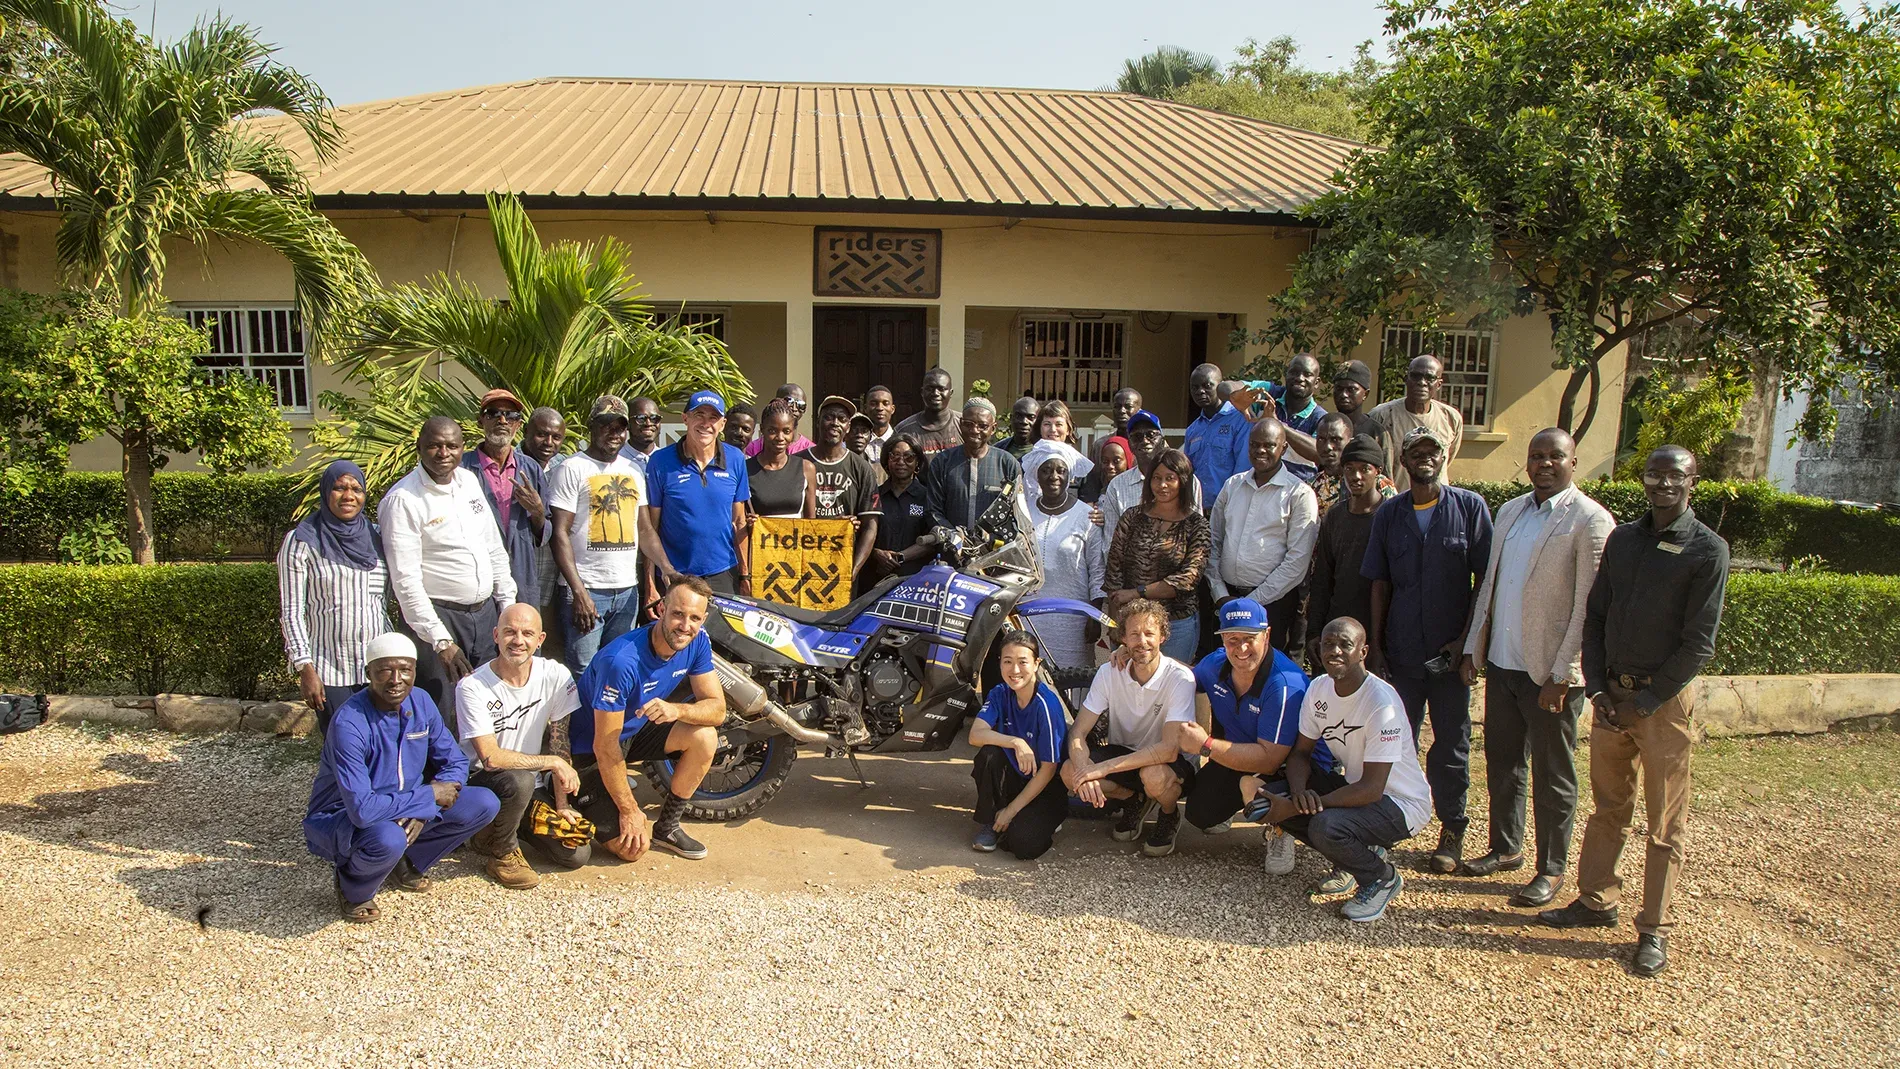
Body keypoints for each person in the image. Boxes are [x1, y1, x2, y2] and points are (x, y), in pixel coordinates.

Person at [1540, 446, 1730, 979]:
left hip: (1662, 704)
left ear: (1692, 482)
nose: (1663, 483)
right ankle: (1596, 900)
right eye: (1654, 474)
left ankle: (1654, 928)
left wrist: (1645, 701)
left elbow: (1698, 644)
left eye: (1675, 476)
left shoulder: (1707, 550)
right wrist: (1600, 690)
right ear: (1643, 479)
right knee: (1608, 807)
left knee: (1664, 823)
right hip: (1611, 699)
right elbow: (1596, 617)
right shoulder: (1624, 540)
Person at [1457, 429, 1615, 906]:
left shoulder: (1590, 520)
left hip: (1549, 674)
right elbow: (1489, 586)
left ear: (1573, 462)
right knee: (1503, 762)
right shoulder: (1510, 512)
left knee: (1553, 773)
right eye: (1536, 456)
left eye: (1555, 456)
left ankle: (1552, 868)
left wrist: (1564, 673)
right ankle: (1506, 847)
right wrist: (1473, 647)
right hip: (1504, 663)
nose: (1544, 463)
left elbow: (1589, 607)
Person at [1362, 425, 1492, 874]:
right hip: (1401, 652)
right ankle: (1389, 826)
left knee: (1451, 745)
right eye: (1416, 451)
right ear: (1403, 459)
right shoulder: (1390, 514)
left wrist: (1468, 643)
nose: (1425, 458)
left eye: (1432, 451)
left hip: (1449, 655)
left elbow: (1485, 582)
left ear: (1444, 457)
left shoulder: (1470, 508)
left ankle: (1452, 828)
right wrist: (1377, 647)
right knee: (1397, 743)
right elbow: (1379, 584)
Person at [303, 633, 501, 923]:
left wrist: (422, 810)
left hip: (406, 805)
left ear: (415, 671)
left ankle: (404, 861)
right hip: (341, 816)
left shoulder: (420, 701)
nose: (396, 680)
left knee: (484, 803)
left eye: (405, 670)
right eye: (385, 670)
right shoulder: (350, 722)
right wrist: (427, 797)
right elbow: (362, 810)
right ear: (368, 673)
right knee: (388, 838)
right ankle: (352, 886)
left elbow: (455, 761)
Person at [1250, 618, 1433, 922]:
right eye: (1328, 644)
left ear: (1363, 651)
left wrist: (1304, 805)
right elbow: (1300, 754)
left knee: (1326, 826)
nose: (1335, 651)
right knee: (1269, 799)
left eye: (1345, 645)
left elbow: (1373, 789)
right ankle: (1355, 855)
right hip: (1358, 790)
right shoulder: (1320, 688)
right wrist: (1298, 794)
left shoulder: (1381, 703)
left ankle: (1381, 878)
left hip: (1400, 803)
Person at [570, 578, 725, 861]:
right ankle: (570, 794)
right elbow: (604, 746)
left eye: (694, 618)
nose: (685, 626)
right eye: (678, 614)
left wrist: (678, 710)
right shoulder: (621, 661)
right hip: (590, 750)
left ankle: (667, 827)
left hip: (633, 732)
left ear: (703, 620)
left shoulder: (698, 640)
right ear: (661, 609)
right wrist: (629, 810)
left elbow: (717, 709)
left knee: (704, 736)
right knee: (632, 849)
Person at [381, 416, 517, 710]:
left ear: (462, 447)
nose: (444, 453)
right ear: (419, 447)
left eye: (452, 446)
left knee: (486, 705)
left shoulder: (468, 481)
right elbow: (406, 582)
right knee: (441, 710)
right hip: (438, 619)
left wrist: (507, 608)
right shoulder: (403, 500)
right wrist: (440, 640)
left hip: (485, 616)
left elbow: (493, 548)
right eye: (435, 446)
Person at [455, 604, 586, 888]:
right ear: (496, 635)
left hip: (530, 786)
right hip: (483, 782)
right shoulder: (472, 687)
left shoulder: (555, 675)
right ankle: (501, 853)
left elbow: (559, 741)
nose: (518, 641)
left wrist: (562, 805)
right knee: (519, 779)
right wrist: (552, 763)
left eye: (527, 633)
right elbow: (491, 758)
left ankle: (506, 830)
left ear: (540, 639)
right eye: (509, 632)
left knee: (576, 853)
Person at [1178, 599, 1310, 874]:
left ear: (1267, 635)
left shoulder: (1285, 683)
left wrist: (1205, 745)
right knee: (1199, 813)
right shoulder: (1214, 664)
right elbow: (1184, 677)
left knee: (1267, 789)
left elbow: (1270, 761)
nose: (1241, 649)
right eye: (1232, 639)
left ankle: (1282, 827)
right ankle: (1242, 796)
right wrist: (1139, 654)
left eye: (1250, 638)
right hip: (1239, 755)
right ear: (1223, 639)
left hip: (1288, 768)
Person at [1061, 599, 1198, 858]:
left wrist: (1102, 769)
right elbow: (1078, 732)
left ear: (1163, 636)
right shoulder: (1109, 672)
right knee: (1069, 771)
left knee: (1154, 775)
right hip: (1125, 752)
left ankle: (1168, 814)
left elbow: (1169, 750)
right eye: (1134, 634)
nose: (1142, 641)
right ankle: (1134, 800)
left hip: (1167, 761)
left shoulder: (1179, 678)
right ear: (1123, 638)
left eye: (1149, 633)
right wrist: (1083, 770)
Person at [277, 459, 389, 733]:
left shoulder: (378, 537)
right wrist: (305, 668)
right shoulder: (302, 541)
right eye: (340, 488)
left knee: (380, 741)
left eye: (356, 489)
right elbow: (292, 611)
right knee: (341, 742)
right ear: (326, 491)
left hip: (379, 664)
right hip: (330, 669)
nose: (349, 496)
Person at [549, 395, 647, 673]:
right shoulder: (571, 468)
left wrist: (668, 570)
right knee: (583, 671)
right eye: (606, 425)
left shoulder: (634, 470)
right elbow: (559, 533)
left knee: (618, 668)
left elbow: (645, 529)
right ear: (591, 426)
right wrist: (579, 592)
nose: (614, 433)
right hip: (587, 590)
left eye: (620, 427)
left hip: (627, 591)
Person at [1206, 420, 1318, 653]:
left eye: (1269, 445)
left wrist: (1252, 602)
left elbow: (1297, 561)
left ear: (1284, 448)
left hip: (1272, 605)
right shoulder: (1232, 486)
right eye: (1254, 444)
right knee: (1226, 664)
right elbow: (1213, 542)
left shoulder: (1299, 494)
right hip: (1226, 599)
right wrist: (1219, 594)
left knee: (1265, 668)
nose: (1260, 450)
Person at [967, 631, 1070, 859]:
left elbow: (1049, 769)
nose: (1014, 670)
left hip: (1045, 785)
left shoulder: (1046, 704)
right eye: (1007, 661)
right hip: (1016, 775)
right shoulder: (999, 693)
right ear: (999, 663)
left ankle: (1031, 818)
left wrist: (1011, 812)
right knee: (989, 754)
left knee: (1023, 845)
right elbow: (975, 735)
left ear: (1036, 664)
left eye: (1022, 662)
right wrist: (1016, 742)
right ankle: (990, 821)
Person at [640, 390, 752, 594]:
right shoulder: (660, 462)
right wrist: (650, 584)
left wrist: (744, 575)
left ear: (722, 424)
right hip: (675, 574)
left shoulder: (736, 459)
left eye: (713, 417)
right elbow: (650, 527)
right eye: (699, 415)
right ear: (685, 419)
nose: (706, 423)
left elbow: (739, 522)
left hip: (723, 572)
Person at [1103, 448, 1209, 664]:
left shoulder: (1197, 525)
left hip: (1176, 624)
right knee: (1128, 680)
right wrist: (1115, 622)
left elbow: (1187, 579)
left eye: (1170, 478)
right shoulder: (1132, 517)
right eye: (1156, 478)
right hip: (1131, 623)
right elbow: (1114, 569)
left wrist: (1136, 593)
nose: (1162, 485)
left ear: (1183, 481)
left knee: (1171, 682)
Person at [1306, 434, 1390, 665]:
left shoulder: (1390, 516)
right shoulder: (1334, 517)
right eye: (1350, 469)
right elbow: (1322, 579)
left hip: (1379, 633)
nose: (1356, 476)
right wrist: (1315, 632)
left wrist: (1379, 643)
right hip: (1338, 628)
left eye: (1365, 469)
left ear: (1378, 471)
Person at [461, 387, 550, 604]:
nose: (502, 420)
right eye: (494, 413)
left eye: (511, 415)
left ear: (518, 425)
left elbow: (544, 531)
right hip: (475, 576)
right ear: (480, 421)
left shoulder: (531, 469)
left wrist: (537, 511)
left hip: (521, 574)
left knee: (522, 626)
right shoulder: (461, 468)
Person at [1025, 453, 1104, 672]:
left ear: (1070, 477)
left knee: (1073, 678)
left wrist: (1094, 616)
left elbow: (1097, 570)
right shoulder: (1024, 512)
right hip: (1029, 615)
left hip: (1073, 617)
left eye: (1061, 471)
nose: (1054, 476)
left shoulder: (1087, 516)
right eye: (1046, 470)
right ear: (1037, 475)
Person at [808, 396, 881, 583]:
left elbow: (870, 525)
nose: (835, 423)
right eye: (828, 417)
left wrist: (852, 571)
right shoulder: (798, 462)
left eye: (842, 419)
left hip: (842, 565)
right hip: (803, 561)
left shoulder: (862, 468)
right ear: (818, 421)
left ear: (848, 427)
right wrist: (831, 524)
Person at [1100, 410, 1198, 548]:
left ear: (1162, 441)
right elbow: (1111, 541)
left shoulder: (1186, 480)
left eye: (1151, 435)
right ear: (1130, 445)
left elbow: (1196, 536)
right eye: (1137, 436)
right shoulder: (1117, 486)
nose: (1144, 441)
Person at [1367, 355, 1464, 492]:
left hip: (1436, 500)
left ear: (1439, 384)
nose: (1422, 383)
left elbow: (1447, 458)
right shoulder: (1382, 416)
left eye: (1429, 378)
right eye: (1416, 376)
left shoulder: (1451, 418)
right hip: (1394, 500)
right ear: (1406, 379)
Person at [925, 397, 1021, 534]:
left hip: (995, 545)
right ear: (960, 424)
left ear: (993, 428)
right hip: (950, 544)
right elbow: (933, 511)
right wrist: (954, 536)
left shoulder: (1007, 464)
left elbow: (1016, 513)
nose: (974, 430)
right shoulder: (942, 462)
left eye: (982, 426)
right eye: (968, 424)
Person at [1183, 362, 1252, 507]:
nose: (1200, 391)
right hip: (1198, 510)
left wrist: (1232, 506)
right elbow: (1187, 472)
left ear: (1220, 386)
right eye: (1195, 387)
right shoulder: (1192, 430)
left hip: (1230, 507)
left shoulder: (1240, 420)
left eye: (1207, 385)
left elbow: (1243, 469)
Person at [523, 407, 570, 621]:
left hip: (558, 579)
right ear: (526, 431)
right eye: (542, 434)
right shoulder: (509, 465)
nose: (549, 442)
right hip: (522, 578)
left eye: (556, 437)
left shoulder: (566, 466)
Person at [869, 435, 933, 581]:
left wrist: (899, 557)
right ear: (886, 460)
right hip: (875, 579)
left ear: (917, 462)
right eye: (895, 456)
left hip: (915, 579)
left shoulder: (927, 497)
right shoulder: (874, 496)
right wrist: (876, 553)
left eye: (909, 457)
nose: (901, 462)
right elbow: (862, 534)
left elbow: (932, 541)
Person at [745, 400, 818, 520]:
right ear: (762, 429)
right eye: (772, 431)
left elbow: (811, 522)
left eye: (786, 431)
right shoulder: (746, 469)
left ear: (793, 431)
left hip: (797, 533)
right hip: (757, 533)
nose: (780, 437)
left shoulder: (806, 468)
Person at [1310, 412, 1394, 514]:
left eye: (1335, 439)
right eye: (1321, 439)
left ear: (1350, 441)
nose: (1327, 447)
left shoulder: (1379, 484)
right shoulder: (1310, 487)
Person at [1268, 354, 1328, 483]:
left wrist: (1279, 426)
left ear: (1317, 382)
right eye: (1294, 372)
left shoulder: (1321, 419)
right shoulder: (1270, 395)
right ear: (1286, 374)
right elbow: (1228, 388)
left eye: (1307, 374)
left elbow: (1320, 453)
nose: (1300, 378)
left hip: (1299, 488)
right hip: (1264, 486)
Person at [893, 367, 961, 456]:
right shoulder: (904, 430)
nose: (935, 393)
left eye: (941, 389)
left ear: (950, 393)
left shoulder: (964, 425)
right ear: (922, 392)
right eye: (930, 389)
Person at [743, 384, 814, 457]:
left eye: (801, 405)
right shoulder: (752, 448)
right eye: (789, 401)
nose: (794, 408)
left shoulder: (810, 450)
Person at [1096, 387, 1144, 466]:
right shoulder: (1099, 445)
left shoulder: (1147, 445)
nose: (1122, 411)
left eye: (1128, 407)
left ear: (1139, 411)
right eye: (1117, 406)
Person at [1077, 435, 1129, 505]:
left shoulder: (1136, 492)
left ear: (1128, 461)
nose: (1110, 466)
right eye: (1105, 461)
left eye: (1116, 461)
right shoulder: (1102, 495)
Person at [1331, 360, 1378, 437]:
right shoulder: (1324, 425)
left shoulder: (1376, 432)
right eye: (1339, 389)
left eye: (1351, 389)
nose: (1343, 395)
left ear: (1365, 394)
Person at [620, 397, 663, 475]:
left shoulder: (668, 459)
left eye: (654, 418)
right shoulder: (615, 460)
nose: (648, 423)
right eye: (641, 418)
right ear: (627, 423)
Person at [861, 385, 897, 464]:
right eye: (873, 404)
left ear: (892, 409)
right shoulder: (856, 440)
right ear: (865, 408)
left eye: (885, 403)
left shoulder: (899, 441)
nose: (880, 408)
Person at [846, 412, 884, 481]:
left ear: (870, 437)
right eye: (854, 430)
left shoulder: (881, 472)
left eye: (864, 431)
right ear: (844, 434)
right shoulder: (836, 467)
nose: (859, 435)